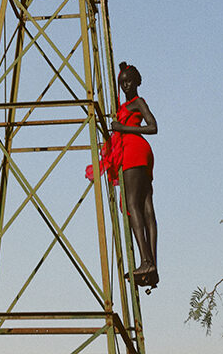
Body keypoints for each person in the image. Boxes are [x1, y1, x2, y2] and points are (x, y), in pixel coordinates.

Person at [86, 61, 158, 287]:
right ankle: (151, 264)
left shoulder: (138, 103)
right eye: (122, 82)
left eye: (129, 81)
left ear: (137, 82)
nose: (126, 85)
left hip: (134, 151)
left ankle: (146, 260)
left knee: (132, 204)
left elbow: (153, 127)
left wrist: (122, 128)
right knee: (146, 207)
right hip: (140, 153)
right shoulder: (125, 105)